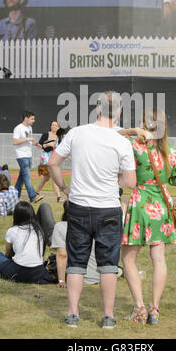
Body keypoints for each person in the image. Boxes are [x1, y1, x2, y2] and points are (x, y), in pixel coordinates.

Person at [48, 91, 136, 329]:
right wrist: (112, 177)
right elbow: (130, 182)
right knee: (108, 263)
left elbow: (52, 162)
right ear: (118, 112)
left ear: (97, 109)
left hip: (78, 206)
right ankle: (108, 315)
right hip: (108, 207)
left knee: (76, 261)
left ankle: (72, 314)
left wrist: (65, 187)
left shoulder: (77, 133)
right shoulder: (122, 141)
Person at [119, 108, 176, 325]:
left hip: (140, 204)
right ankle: (154, 309)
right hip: (163, 205)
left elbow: (112, 135)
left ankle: (139, 307)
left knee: (128, 258)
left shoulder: (135, 146)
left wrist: (132, 130)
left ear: (144, 124)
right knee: (159, 259)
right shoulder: (172, 151)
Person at [0, 201, 55, 284]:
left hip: (19, 271)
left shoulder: (12, 230)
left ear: (16, 216)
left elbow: (8, 254)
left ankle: (3, 270)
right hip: (38, 271)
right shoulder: (39, 230)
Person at [36, 202, 100, 287]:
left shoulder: (61, 226)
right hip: (95, 276)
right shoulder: (96, 225)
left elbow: (62, 255)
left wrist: (61, 280)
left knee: (44, 206)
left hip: (75, 275)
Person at [13, 110, 43, 204]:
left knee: (21, 177)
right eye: (32, 119)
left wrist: (36, 144)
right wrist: (27, 139)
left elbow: (29, 141)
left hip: (29, 155)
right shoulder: (18, 128)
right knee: (26, 176)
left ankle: (14, 196)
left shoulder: (29, 128)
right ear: (26, 118)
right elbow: (15, 142)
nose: (34, 121)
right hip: (21, 156)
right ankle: (33, 196)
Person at [36, 121, 66, 203]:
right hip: (45, 158)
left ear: (58, 128)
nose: (53, 126)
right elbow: (40, 145)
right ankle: (59, 198)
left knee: (45, 178)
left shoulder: (59, 137)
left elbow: (59, 148)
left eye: (55, 125)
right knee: (54, 177)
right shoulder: (46, 134)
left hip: (53, 159)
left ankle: (35, 194)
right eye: (52, 125)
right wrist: (45, 145)